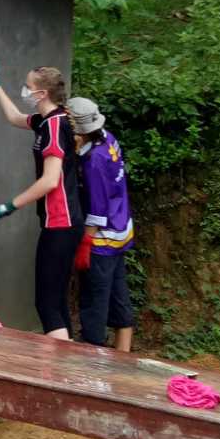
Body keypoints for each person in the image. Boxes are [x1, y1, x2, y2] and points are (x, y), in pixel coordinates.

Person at [0, 53, 87, 341]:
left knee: (46, 303)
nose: (24, 91)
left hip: (60, 222)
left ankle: (55, 374)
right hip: (66, 222)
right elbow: (14, 117)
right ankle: (66, 368)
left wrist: (8, 206)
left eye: (27, 86)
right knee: (57, 300)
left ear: (41, 93)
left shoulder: (53, 126)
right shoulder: (47, 119)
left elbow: (50, 180)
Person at [69, 98, 135, 351]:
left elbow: (97, 207)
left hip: (102, 239)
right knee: (119, 299)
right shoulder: (108, 139)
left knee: (94, 303)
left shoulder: (94, 160)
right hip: (121, 229)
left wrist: (86, 242)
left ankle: (93, 363)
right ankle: (124, 358)